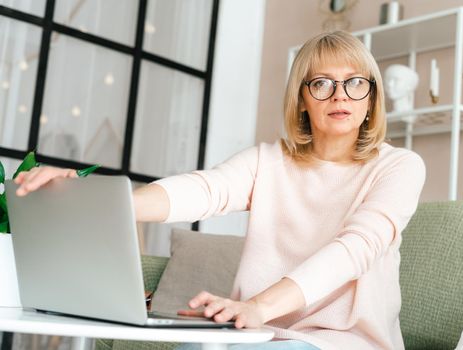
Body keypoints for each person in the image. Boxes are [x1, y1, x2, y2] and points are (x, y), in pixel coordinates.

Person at [14, 31, 425, 350]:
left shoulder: (399, 167)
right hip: (254, 333)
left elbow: (355, 248)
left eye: (355, 83)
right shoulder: (268, 161)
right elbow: (204, 189)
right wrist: (93, 199)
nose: (339, 95)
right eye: (321, 83)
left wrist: (259, 306)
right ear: (302, 99)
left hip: (343, 343)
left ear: (371, 99)